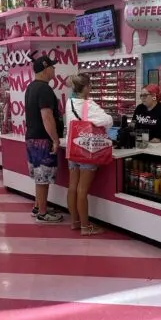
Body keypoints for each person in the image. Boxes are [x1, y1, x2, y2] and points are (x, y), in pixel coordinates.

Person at [64, 74, 113, 236]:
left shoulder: (69, 102)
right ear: (85, 88)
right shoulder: (89, 105)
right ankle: (86, 227)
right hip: (87, 151)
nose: (90, 88)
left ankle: (74, 222)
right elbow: (107, 120)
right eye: (90, 86)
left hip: (73, 149)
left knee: (72, 187)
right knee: (82, 190)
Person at [24, 55, 63, 222]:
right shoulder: (45, 89)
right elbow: (47, 117)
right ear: (46, 69)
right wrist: (55, 139)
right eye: (52, 67)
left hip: (32, 138)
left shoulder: (31, 87)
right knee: (43, 178)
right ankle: (43, 213)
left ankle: (38, 206)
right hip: (42, 140)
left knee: (38, 176)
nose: (54, 70)